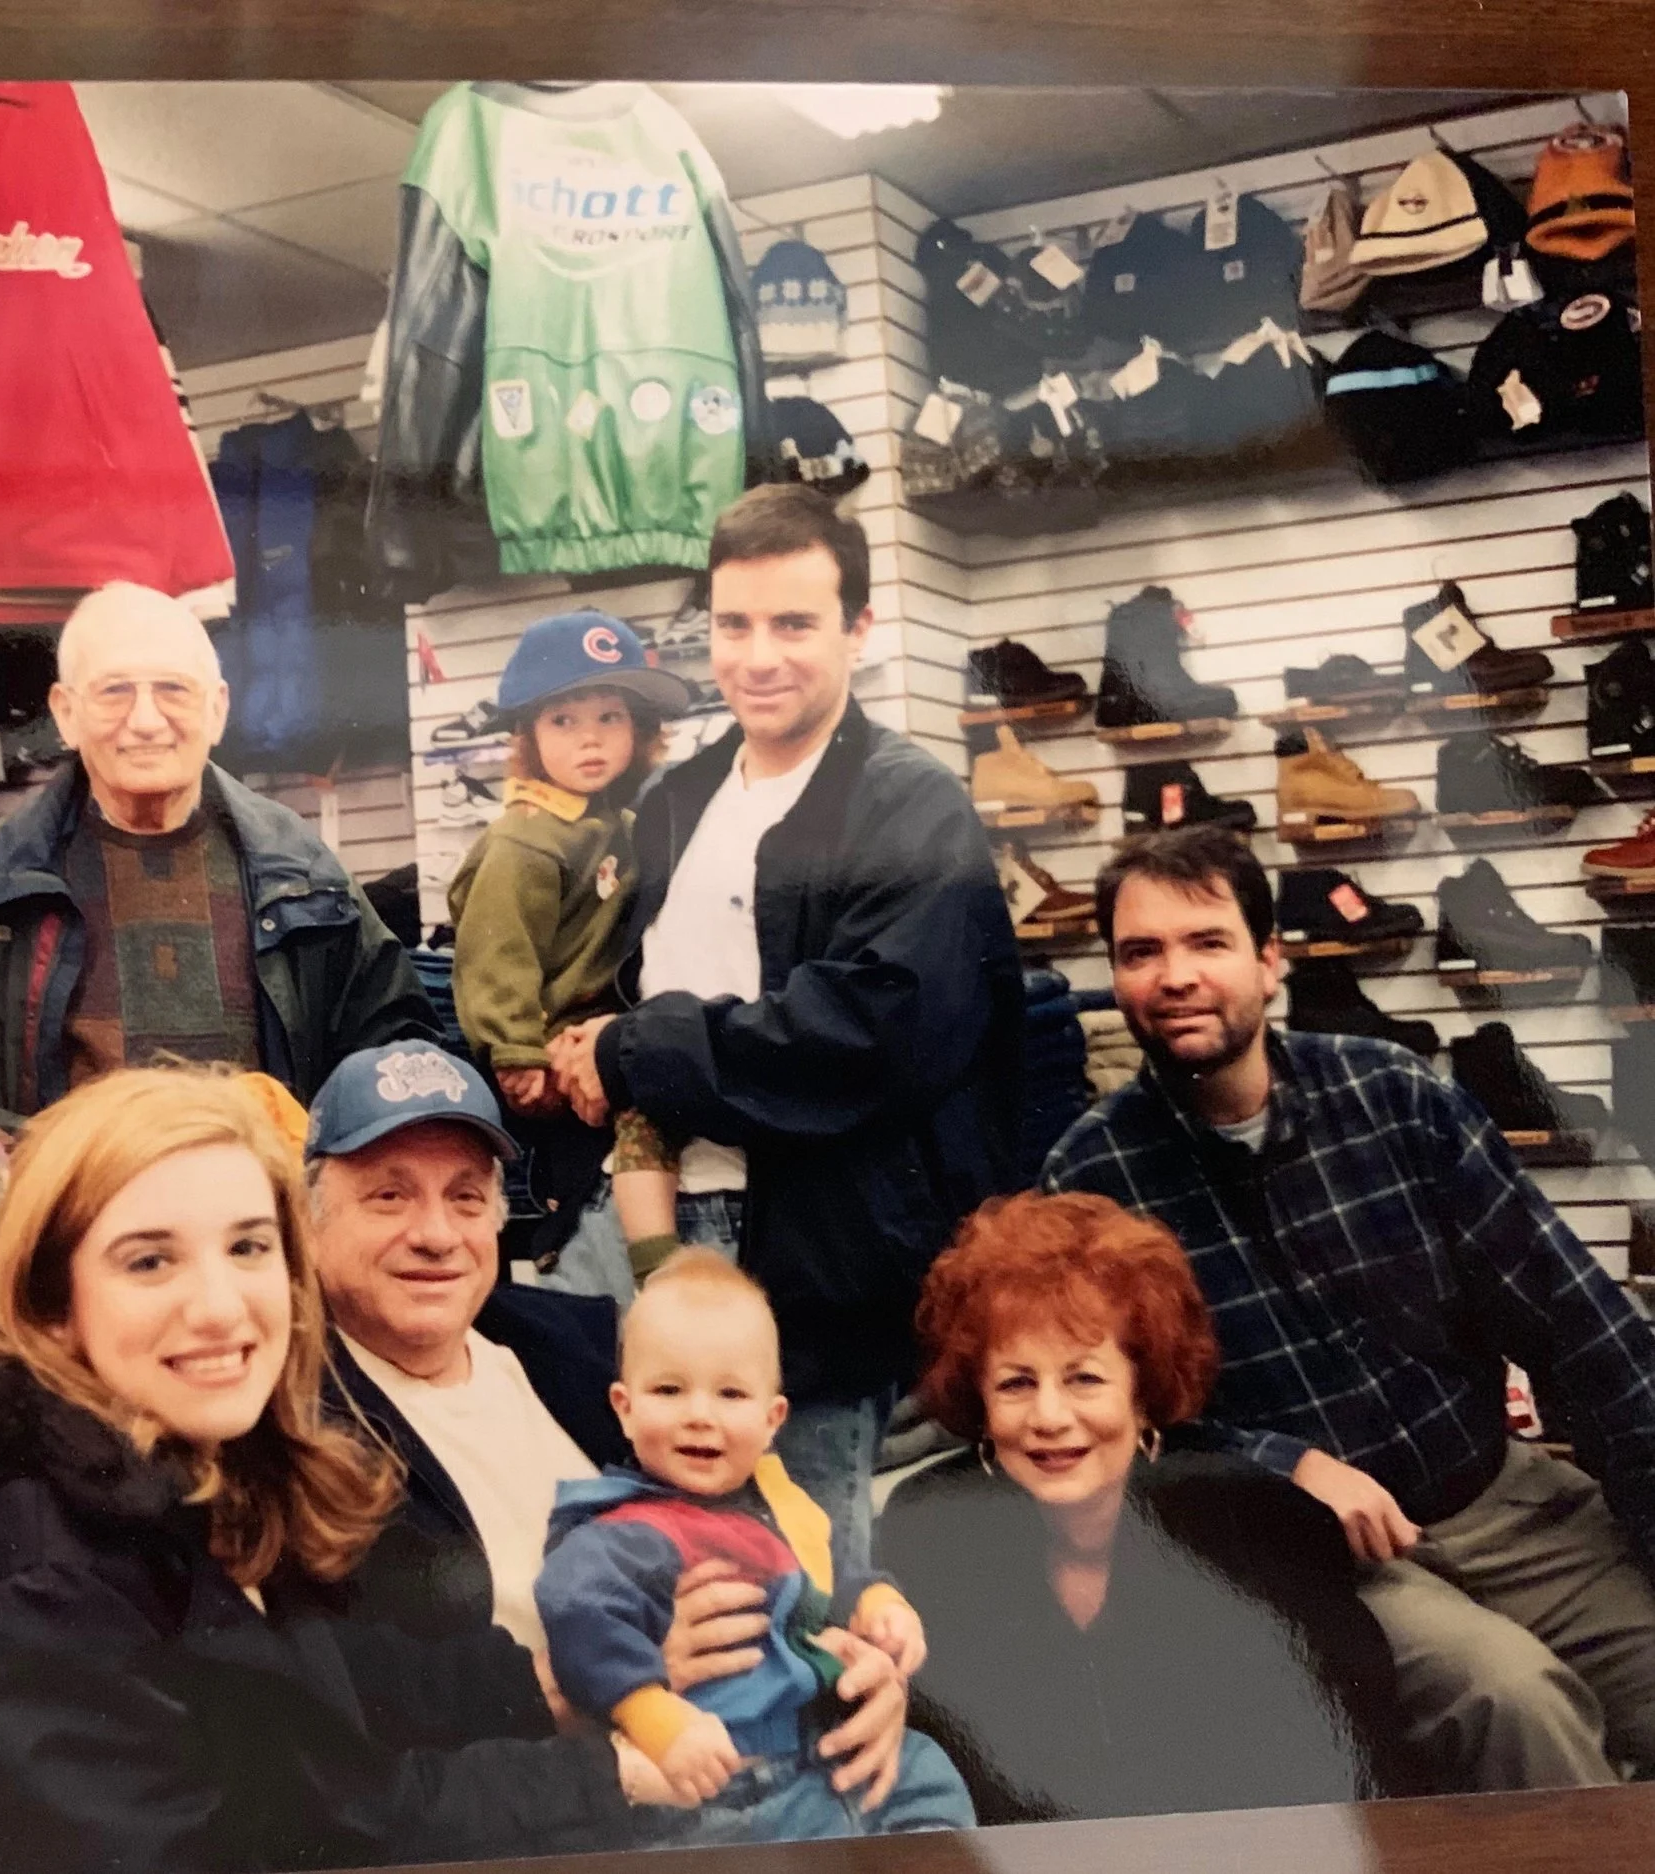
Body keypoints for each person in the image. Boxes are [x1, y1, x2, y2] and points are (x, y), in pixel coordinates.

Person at [0, 1067, 678, 1874]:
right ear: (51, 1302)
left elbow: (317, 1695)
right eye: (151, 1260)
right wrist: (602, 1782)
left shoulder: (198, 1471)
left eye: (249, 1248)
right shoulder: (41, 1586)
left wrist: (555, 1686)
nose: (219, 1308)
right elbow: (299, 1836)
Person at [1043, 824, 1655, 1791]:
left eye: (1207, 942)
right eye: (1140, 952)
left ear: (1269, 961)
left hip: (1503, 1505)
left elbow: (1584, 1333)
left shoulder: (1397, 1099)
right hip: (1328, 1558)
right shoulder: (1089, 1182)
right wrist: (1281, 1465)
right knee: (1515, 1701)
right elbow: (1110, 1430)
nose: (1175, 976)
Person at [545, 481, 1024, 1578]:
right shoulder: (676, 798)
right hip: (651, 1218)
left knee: (798, 1579)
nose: (758, 657)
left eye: (794, 624)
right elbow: (652, 979)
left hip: (814, 1253)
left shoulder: (910, 806)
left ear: (859, 628)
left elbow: (873, 1032)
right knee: (630, 1557)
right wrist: (599, 1035)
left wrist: (631, 1048)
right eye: (733, 625)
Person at [305, 1041, 928, 1811]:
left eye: (465, 1198)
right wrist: (608, 1683)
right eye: (388, 1197)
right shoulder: (298, 1431)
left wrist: (860, 1670)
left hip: (763, 1739)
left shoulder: (577, 1347)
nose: (436, 1234)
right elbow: (364, 1717)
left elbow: (756, 1520)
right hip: (567, 1805)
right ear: (310, 1224)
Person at [877, 1190, 1417, 1824]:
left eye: (1085, 1379)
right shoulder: (932, 1528)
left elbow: (1355, 1783)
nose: (1049, 1418)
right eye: (1017, 1383)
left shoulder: (1250, 1525)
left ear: (1143, 1392)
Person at [0, 581, 436, 1130]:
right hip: (66, 1208)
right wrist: (34, 1160)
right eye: (114, 692)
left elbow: (393, 1049)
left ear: (217, 709)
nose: (146, 720)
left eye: (173, 690)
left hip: (259, 1208)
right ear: (65, 713)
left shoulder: (302, 871)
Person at [535, 1252, 973, 1843]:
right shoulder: (627, 1529)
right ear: (625, 1407)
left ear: (773, 1419)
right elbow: (577, 1615)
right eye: (669, 1389)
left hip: (815, 1752)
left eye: (731, 1395)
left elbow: (831, 1577)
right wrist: (657, 1720)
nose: (699, 1416)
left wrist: (877, 1603)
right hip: (714, 1782)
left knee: (926, 1772)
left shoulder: (780, 1507)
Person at [447, 608, 691, 1271]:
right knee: (587, 1172)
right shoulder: (527, 837)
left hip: (608, 1029)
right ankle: (647, 1262)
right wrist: (517, 1052)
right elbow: (498, 954)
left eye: (610, 718)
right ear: (527, 735)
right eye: (564, 721)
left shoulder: (622, 823)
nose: (590, 739)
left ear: (640, 731)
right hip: (548, 1042)